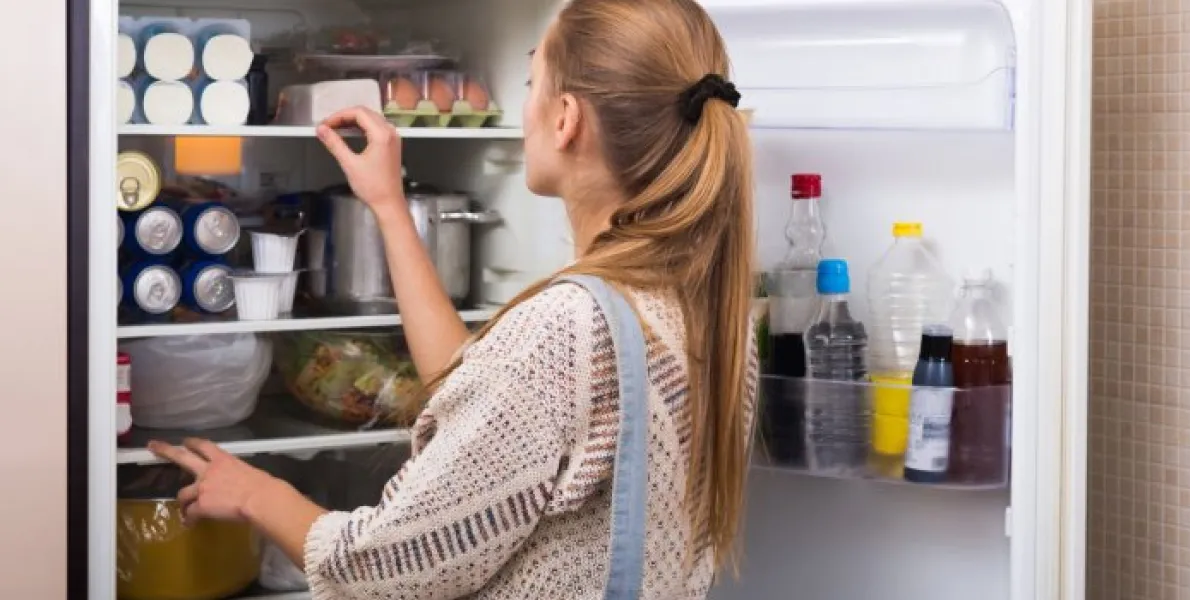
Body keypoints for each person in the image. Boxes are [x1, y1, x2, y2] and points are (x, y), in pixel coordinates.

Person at [149, 0, 757, 597]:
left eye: (530, 80)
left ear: (566, 118)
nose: (525, 104)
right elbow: (482, 400)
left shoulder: (564, 328)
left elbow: (388, 569)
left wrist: (258, 494)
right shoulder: (705, 311)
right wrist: (388, 205)